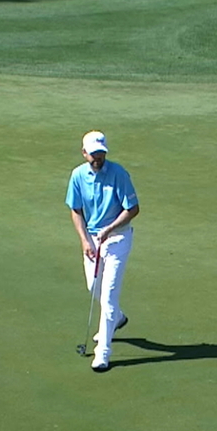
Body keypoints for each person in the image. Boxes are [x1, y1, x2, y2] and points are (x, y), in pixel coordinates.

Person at [65, 130, 140, 372]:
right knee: (93, 287)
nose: (98, 156)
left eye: (101, 152)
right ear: (84, 152)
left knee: (108, 296)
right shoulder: (77, 176)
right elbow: (75, 210)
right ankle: (117, 318)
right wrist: (84, 241)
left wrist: (110, 228)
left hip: (118, 238)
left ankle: (103, 353)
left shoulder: (118, 174)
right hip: (93, 240)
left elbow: (133, 208)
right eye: (93, 152)